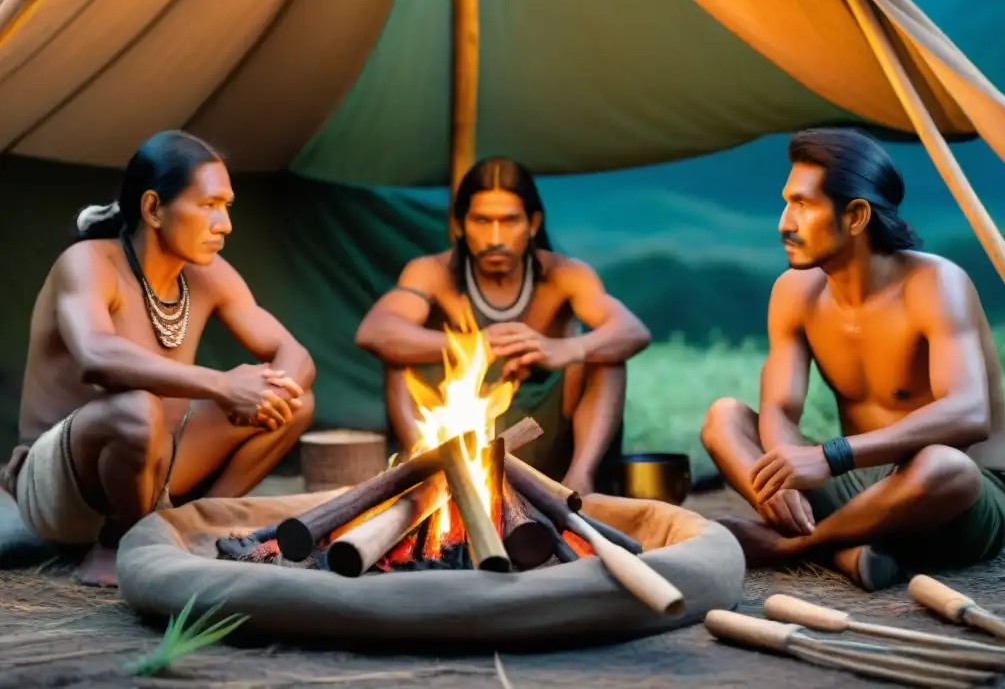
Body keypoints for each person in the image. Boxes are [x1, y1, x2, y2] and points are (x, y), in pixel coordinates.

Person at [701, 127, 1005, 591]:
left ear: (855, 215)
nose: (784, 223)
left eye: (803, 205)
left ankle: (792, 548)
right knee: (723, 418)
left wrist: (829, 457)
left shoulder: (936, 284)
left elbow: (970, 415)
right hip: (864, 489)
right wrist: (783, 475)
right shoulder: (794, 292)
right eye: (786, 203)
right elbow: (778, 410)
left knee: (943, 464)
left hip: (957, 498)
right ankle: (851, 549)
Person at [0, 131, 316, 587]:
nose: (224, 223)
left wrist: (266, 393)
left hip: (155, 466)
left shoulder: (210, 275)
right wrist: (224, 386)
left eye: (227, 206)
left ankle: (198, 524)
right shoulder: (88, 262)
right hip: (62, 489)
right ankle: (121, 541)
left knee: (292, 404)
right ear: (153, 209)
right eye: (208, 205)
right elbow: (96, 356)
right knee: (137, 409)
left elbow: (296, 354)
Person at [355, 157, 651, 496]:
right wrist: (475, 345)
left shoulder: (564, 275)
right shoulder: (431, 272)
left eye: (510, 221)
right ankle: (427, 476)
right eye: (482, 221)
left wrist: (564, 348)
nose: (496, 237)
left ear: (533, 224)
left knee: (606, 356)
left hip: (541, 429)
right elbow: (375, 331)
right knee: (399, 360)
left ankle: (579, 483)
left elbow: (632, 331)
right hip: (456, 436)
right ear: (460, 225)